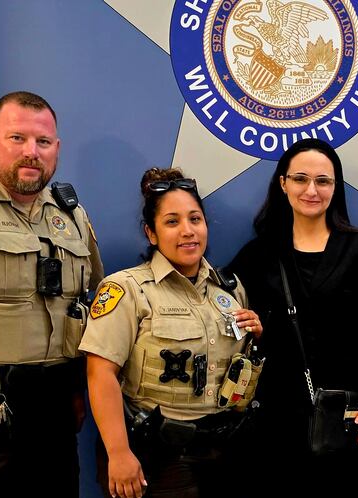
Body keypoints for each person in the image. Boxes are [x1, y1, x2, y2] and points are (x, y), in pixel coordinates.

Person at [0, 91, 103, 497]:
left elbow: (88, 307)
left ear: (56, 149)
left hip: (56, 413)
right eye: (17, 138)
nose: (31, 152)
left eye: (43, 142)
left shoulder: (73, 217)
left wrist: (76, 391)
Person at [79, 167, 263, 498]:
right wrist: (118, 454)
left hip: (225, 451)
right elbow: (100, 373)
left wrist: (255, 337)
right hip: (157, 455)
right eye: (172, 221)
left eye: (195, 219)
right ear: (151, 233)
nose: (188, 231)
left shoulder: (231, 290)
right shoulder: (128, 290)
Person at [227, 138, 358, 498]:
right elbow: (221, 312)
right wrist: (252, 325)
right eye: (300, 179)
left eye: (323, 181)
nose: (311, 190)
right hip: (276, 420)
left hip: (350, 418)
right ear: (282, 183)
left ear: (336, 187)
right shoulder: (260, 253)